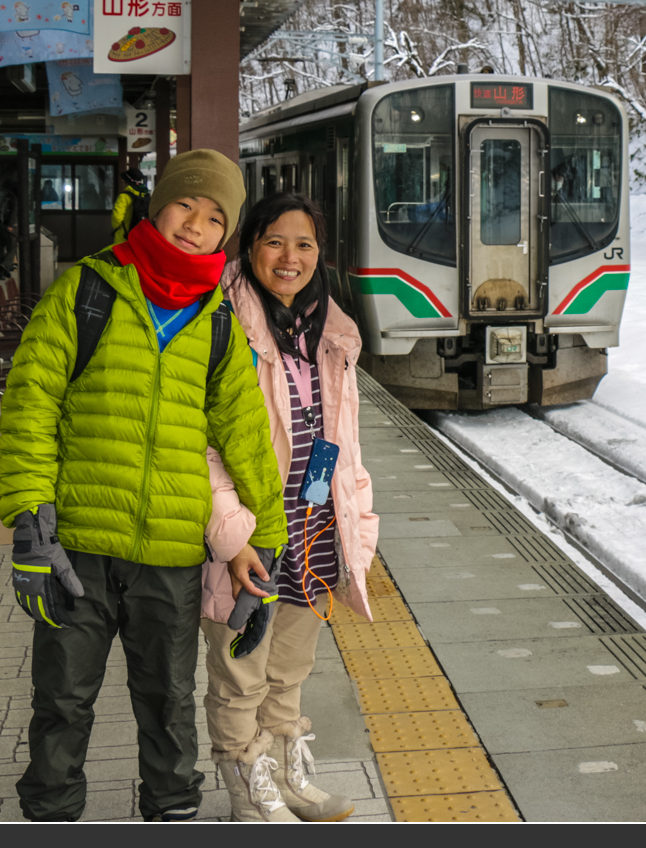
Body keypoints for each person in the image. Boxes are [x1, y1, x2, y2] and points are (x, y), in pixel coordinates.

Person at [0, 148, 288, 823]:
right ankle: (50, 813)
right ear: (159, 205)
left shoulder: (218, 320)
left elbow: (247, 436)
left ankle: (172, 812)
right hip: (78, 550)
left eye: (216, 217)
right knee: (62, 699)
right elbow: (31, 400)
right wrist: (31, 519)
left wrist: (266, 545)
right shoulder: (89, 288)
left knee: (168, 704)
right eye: (186, 203)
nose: (196, 224)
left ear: (227, 234)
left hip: (171, 556)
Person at [200, 192, 378, 823]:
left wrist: (359, 524)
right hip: (251, 539)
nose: (290, 258)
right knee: (240, 674)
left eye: (305, 245)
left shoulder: (329, 332)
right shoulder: (218, 323)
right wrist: (231, 535)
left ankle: (288, 781)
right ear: (249, 248)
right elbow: (200, 446)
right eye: (275, 241)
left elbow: (346, 441)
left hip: (316, 531)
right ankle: (250, 796)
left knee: (290, 669)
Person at [113, 166, 152, 246]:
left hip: (124, 236)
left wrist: (117, 229)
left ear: (126, 182)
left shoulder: (124, 196)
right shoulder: (146, 195)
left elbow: (117, 217)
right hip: (141, 236)